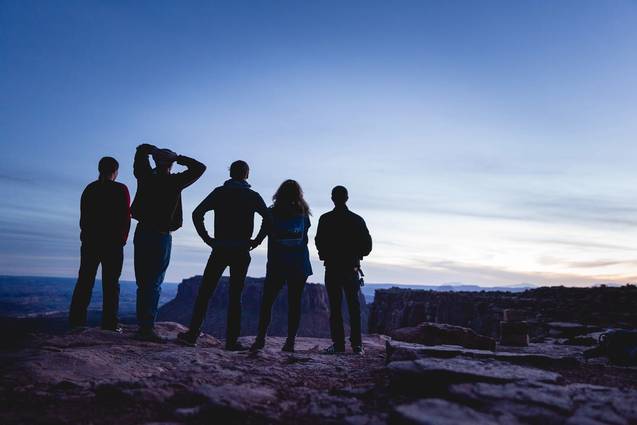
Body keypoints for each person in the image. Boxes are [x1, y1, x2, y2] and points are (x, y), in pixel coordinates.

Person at [177, 160, 270, 350]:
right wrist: (257, 240)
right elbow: (268, 219)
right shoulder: (252, 196)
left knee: (205, 292)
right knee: (236, 296)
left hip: (219, 249)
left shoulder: (220, 193)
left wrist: (207, 239)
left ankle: (192, 335)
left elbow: (197, 213)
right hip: (241, 251)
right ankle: (231, 341)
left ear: (231, 174)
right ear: (247, 174)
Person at [131, 143, 206, 342]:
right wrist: (177, 157)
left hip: (143, 232)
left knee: (143, 282)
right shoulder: (174, 182)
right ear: (170, 164)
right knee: (154, 282)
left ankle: (143, 326)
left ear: (155, 162)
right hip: (161, 236)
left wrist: (153, 152)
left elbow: (141, 151)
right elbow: (200, 168)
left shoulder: (145, 177)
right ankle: (146, 329)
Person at [69, 157, 131, 331]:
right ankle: (110, 324)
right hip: (113, 244)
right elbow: (125, 218)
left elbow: (84, 218)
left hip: (91, 243)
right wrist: (122, 240)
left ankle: (76, 322)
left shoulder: (90, 189)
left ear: (99, 169)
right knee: (111, 284)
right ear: (115, 172)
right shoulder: (120, 189)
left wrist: (86, 236)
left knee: (84, 281)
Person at [250, 180, 312, 353]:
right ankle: (290, 342)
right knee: (295, 303)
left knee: (267, 301)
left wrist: (250, 243)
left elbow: (261, 235)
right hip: (299, 263)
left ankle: (260, 339)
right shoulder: (304, 213)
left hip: (278, 263)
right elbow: (305, 238)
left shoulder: (272, 213)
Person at [315, 186, 372, 355]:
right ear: (347, 198)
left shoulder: (325, 219)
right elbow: (367, 246)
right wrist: (356, 255)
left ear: (332, 198)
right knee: (354, 307)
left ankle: (338, 345)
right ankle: (357, 345)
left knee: (335, 307)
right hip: (351, 268)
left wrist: (325, 255)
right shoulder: (357, 220)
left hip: (332, 268)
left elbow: (319, 241)